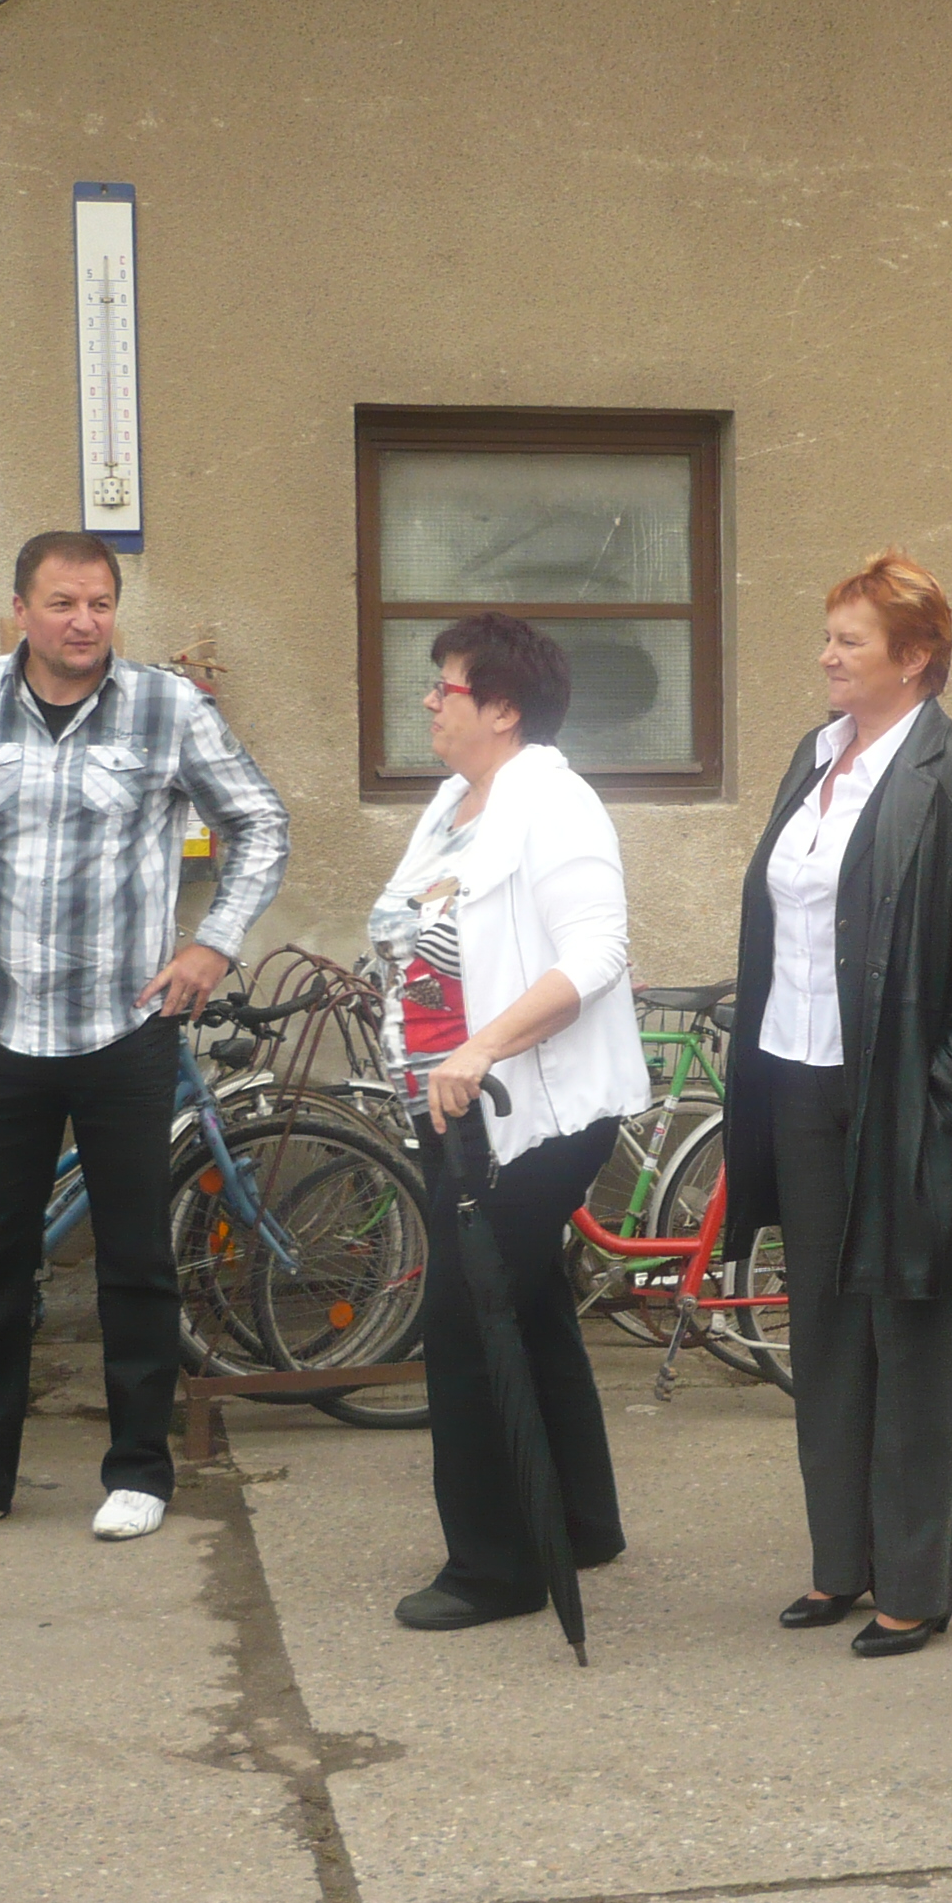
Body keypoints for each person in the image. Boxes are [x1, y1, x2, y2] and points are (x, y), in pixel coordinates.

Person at [0, 531, 289, 1548]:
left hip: (127, 1025)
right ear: (19, 610)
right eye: (61, 603)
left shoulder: (169, 709)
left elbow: (259, 822)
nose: (82, 622)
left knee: (136, 1259)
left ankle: (137, 1469)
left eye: (98, 603)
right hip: (1, 1022)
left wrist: (212, 945)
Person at [725, 548, 952, 1658]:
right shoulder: (812, 758)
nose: (826, 656)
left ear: (914, 659)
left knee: (916, 1339)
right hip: (797, 1082)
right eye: (829, 636)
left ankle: (916, 1581)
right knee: (824, 1329)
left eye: (848, 640)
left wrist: (950, 1108)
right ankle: (840, 1564)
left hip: (909, 1100)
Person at [375, 613, 651, 1631]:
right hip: (451, 1108)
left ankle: (493, 1570)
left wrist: (482, 1045)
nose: (428, 701)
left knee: (465, 1319)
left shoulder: (554, 802)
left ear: (500, 707)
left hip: (530, 1114)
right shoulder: (455, 802)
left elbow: (597, 952)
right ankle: (578, 1522)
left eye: (444, 686)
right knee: (526, 1305)